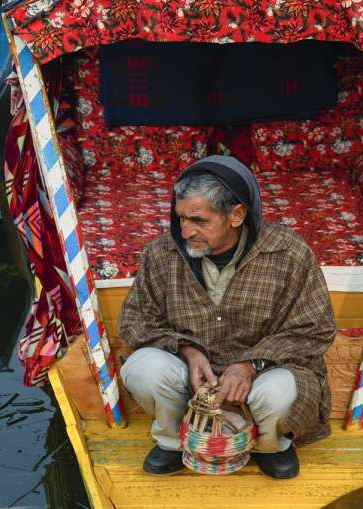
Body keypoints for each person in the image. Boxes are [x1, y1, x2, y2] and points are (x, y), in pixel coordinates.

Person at [119, 155, 336, 479]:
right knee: (143, 368)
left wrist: (250, 365)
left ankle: (270, 446)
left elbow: (315, 329)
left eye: (199, 220)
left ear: (236, 216)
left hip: (263, 374)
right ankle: (174, 440)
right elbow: (134, 320)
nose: (186, 231)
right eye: (181, 219)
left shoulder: (289, 252)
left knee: (280, 392)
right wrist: (188, 352)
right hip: (192, 380)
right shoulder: (162, 253)